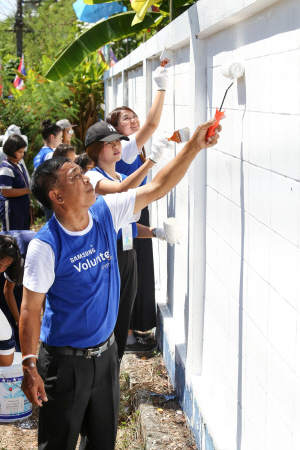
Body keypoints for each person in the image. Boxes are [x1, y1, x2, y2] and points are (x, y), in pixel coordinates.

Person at [19, 118, 221, 450]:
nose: (85, 177)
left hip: (107, 356)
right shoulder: (46, 245)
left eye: (81, 172)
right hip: (64, 365)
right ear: (56, 195)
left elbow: (156, 188)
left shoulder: (105, 212)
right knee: (59, 444)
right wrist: (29, 365)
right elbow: (30, 309)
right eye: (74, 176)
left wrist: (193, 147)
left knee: (103, 443)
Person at [85, 123, 168, 359]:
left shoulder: (122, 175)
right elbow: (121, 190)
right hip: (107, 254)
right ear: (94, 149)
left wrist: (155, 232)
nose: (116, 146)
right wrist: (150, 162)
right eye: (108, 143)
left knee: (124, 313)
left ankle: (116, 363)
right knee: (108, 313)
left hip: (128, 252)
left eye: (117, 141)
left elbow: (128, 225)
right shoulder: (93, 177)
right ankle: (103, 366)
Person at [106, 66, 169, 352]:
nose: (133, 121)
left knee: (134, 271)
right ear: (115, 129)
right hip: (125, 218)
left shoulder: (128, 149)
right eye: (126, 119)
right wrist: (161, 86)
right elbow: (153, 124)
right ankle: (128, 334)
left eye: (134, 116)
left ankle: (133, 331)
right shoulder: (126, 146)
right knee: (129, 273)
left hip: (132, 216)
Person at [0, 234, 24, 365]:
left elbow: (8, 290)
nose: (1, 269)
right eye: (0, 264)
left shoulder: (18, 263)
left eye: (5, 266)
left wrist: (19, 321)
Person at [0, 135, 31, 231]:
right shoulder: (6, 168)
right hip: (12, 210)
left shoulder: (19, 164)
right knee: (13, 237)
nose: (22, 155)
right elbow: (5, 192)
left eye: (23, 152)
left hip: (22, 208)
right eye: (19, 152)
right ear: (11, 150)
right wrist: (28, 190)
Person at [34, 120, 63, 221]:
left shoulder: (39, 154)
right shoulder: (50, 155)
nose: (61, 140)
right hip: (51, 196)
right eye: (60, 137)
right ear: (52, 137)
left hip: (43, 195)